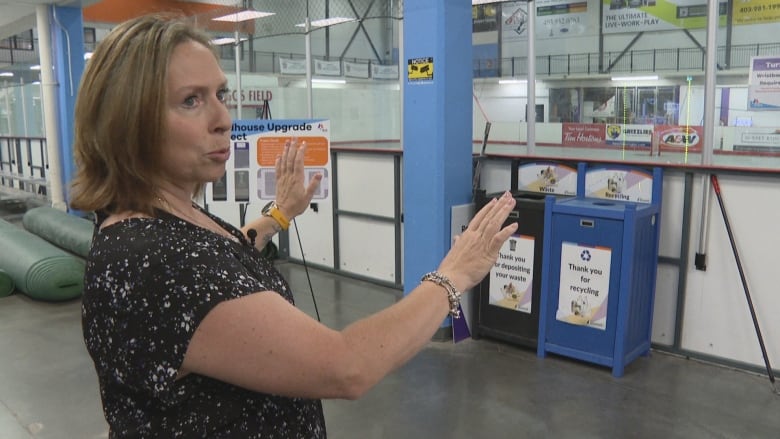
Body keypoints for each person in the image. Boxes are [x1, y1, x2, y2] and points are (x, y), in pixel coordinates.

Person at [70, 13, 518, 438]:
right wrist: (454, 274)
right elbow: (348, 366)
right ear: (128, 122)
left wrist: (278, 215)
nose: (222, 120)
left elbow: (217, 259)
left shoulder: (168, 219)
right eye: (191, 101)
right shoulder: (151, 262)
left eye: (220, 95)